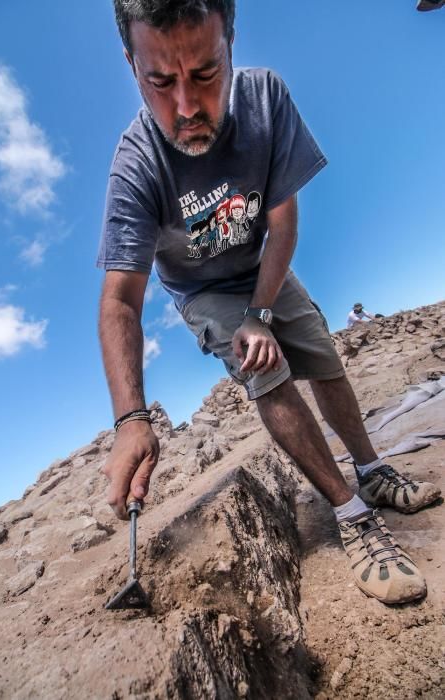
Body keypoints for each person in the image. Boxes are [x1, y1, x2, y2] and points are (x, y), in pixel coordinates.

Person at [97, 0, 441, 605]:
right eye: (159, 82)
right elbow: (121, 299)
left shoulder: (265, 99)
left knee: (321, 354)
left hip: (264, 263)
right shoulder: (136, 167)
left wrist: (262, 311)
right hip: (205, 290)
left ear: (231, 40)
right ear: (131, 65)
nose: (185, 108)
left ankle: (371, 469)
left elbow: (282, 224)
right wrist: (131, 420)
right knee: (269, 372)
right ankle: (352, 513)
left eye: (205, 74)